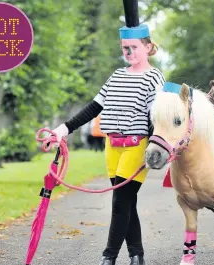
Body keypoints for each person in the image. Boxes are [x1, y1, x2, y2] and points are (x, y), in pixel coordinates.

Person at [50, 1, 165, 264]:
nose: (128, 52)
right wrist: (63, 129)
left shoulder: (153, 77)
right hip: (112, 146)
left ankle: (108, 257)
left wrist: (156, 146)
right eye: (125, 48)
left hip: (137, 146)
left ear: (147, 47)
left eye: (134, 47)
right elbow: (93, 107)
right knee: (127, 204)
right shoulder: (116, 76)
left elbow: (155, 115)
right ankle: (137, 254)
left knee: (120, 202)